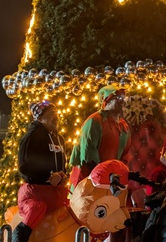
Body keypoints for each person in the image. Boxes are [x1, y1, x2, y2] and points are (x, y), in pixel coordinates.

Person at [12, 100, 68, 242]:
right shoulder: (32, 136)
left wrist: (63, 176)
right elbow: (24, 166)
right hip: (35, 192)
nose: (56, 118)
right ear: (40, 117)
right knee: (36, 208)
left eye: (56, 114)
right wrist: (47, 177)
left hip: (55, 192)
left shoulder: (59, 138)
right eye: (51, 114)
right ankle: (19, 236)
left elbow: (61, 164)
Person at [69, 86, 129, 187]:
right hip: (88, 182)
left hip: (111, 182)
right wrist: (104, 176)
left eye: (124, 98)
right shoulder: (95, 121)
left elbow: (124, 156)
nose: (123, 102)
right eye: (118, 98)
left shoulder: (124, 127)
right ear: (107, 101)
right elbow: (88, 157)